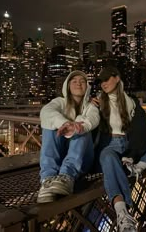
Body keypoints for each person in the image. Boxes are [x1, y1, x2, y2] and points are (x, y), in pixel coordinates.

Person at [93, 66, 146, 232]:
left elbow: (142, 130)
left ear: (117, 78)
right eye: (101, 81)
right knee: (107, 157)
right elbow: (88, 122)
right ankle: (122, 211)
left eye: (107, 79)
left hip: (129, 144)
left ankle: (137, 167)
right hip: (110, 145)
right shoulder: (99, 102)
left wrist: (133, 155)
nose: (103, 84)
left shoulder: (131, 102)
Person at [37, 70, 100, 203]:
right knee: (50, 125)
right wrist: (64, 123)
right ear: (68, 85)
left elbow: (93, 118)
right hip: (60, 157)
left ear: (87, 87)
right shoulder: (59, 102)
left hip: (83, 159)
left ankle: (67, 176)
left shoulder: (90, 106)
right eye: (74, 81)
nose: (78, 84)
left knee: (81, 127)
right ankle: (48, 179)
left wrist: (77, 126)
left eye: (82, 81)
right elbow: (46, 111)